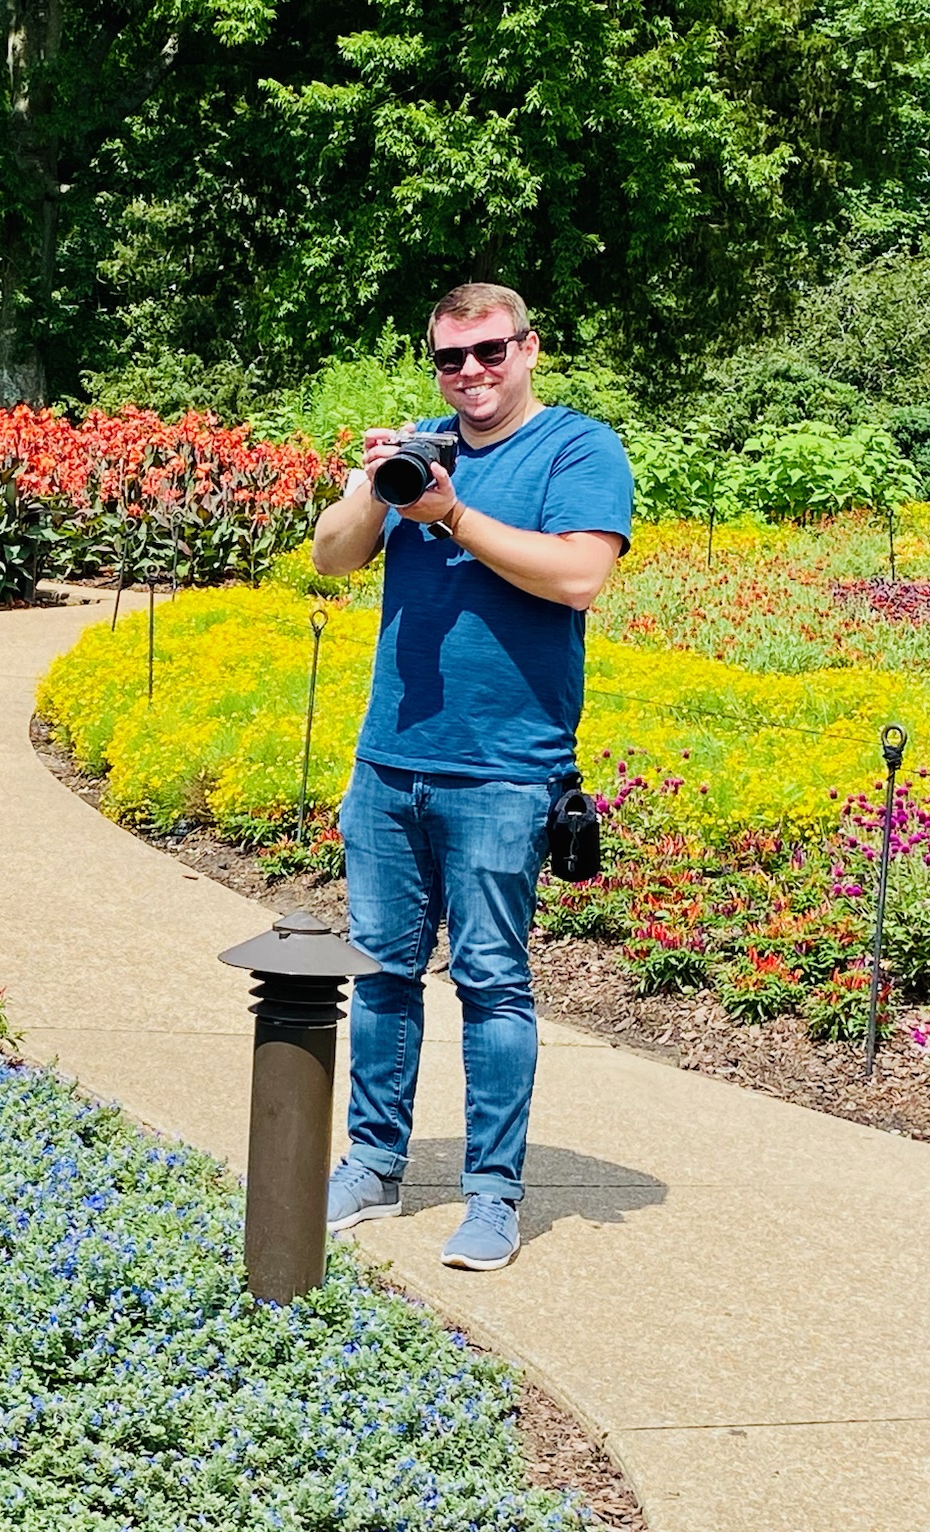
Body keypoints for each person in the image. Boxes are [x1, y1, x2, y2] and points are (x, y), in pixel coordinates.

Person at [310, 283, 633, 1271]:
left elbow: (576, 575)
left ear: (527, 349)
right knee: (380, 974)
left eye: (488, 352)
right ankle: (371, 1162)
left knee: (491, 984)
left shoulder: (576, 449)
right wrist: (378, 485)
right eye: (449, 359)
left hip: (502, 771)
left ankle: (491, 1195)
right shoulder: (419, 448)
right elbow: (328, 557)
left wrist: (449, 515)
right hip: (387, 764)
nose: (469, 375)